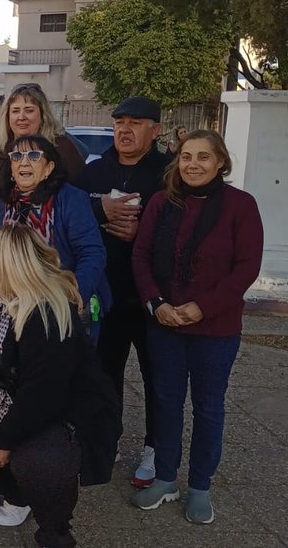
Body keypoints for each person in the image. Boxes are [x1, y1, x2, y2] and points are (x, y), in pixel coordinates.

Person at [0, 223, 116, 548]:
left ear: (8, 265)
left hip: (55, 413)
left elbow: (43, 393)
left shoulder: (45, 314)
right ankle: (18, 492)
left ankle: (54, 529)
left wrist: (2, 439)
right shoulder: (4, 294)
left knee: (38, 465)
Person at [131, 130, 263, 524]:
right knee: (166, 402)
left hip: (215, 329)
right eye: (187, 156)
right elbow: (140, 256)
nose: (193, 164)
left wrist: (203, 307)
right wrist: (156, 303)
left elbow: (246, 268)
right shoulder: (162, 202)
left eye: (203, 157)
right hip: (165, 322)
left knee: (208, 408)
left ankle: (200, 485)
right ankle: (166, 477)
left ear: (220, 162)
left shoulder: (241, 206)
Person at [79, 96, 173, 488]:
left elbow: (183, 233)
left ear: (155, 130)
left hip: (153, 296)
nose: (125, 129)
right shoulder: (95, 171)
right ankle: (105, 441)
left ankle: (155, 448)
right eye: (120, 122)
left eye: (136, 122)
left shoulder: (169, 173)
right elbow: (78, 221)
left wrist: (143, 236)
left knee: (159, 379)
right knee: (104, 375)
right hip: (108, 295)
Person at [0, 135, 109, 337]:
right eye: (17, 156)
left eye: (33, 156)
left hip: (63, 302)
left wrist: (75, 292)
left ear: (49, 168)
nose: (24, 162)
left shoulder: (70, 198)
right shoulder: (6, 202)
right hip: (16, 304)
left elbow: (92, 252)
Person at [0, 83, 85, 191]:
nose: (21, 117)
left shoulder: (62, 148)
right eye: (15, 111)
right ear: (7, 116)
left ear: (43, 114)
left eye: (29, 110)